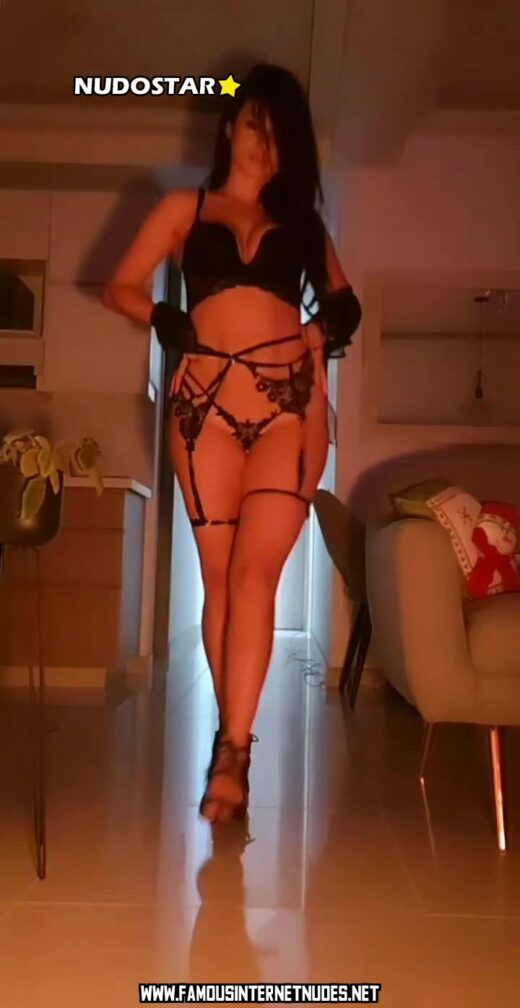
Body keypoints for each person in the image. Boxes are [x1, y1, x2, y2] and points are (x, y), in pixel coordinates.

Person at [102, 63, 361, 824]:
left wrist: (314, 332)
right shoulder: (183, 208)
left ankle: (233, 755)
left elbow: (346, 308)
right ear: (228, 125)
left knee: (254, 578)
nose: (263, 143)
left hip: (287, 409)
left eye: (278, 135)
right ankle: (232, 731)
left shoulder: (304, 226)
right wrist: (164, 320)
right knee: (221, 583)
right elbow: (121, 285)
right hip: (202, 411)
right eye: (253, 124)